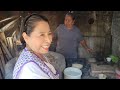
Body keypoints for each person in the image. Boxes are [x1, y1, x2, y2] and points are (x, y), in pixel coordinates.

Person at [13, 13, 59, 79]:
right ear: (26, 37)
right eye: (41, 35)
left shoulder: (35, 52)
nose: (49, 40)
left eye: (49, 33)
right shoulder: (30, 73)